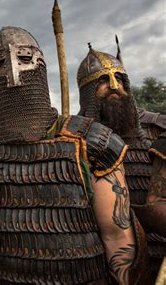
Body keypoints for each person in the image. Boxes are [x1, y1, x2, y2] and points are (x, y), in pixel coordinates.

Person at [0, 26, 148, 284]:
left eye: (24, 60)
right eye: (1, 65)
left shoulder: (91, 141)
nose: (14, 72)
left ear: (39, 67)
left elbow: (117, 238)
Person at [77, 45, 166, 276]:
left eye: (119, 78)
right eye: (103, 80)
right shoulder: (76, 139)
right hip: (107, 262)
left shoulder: (155, 130)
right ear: (87, 91)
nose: (114, 86)